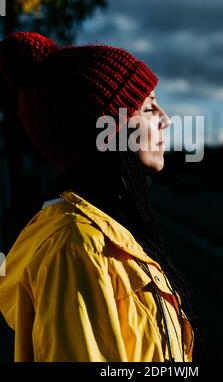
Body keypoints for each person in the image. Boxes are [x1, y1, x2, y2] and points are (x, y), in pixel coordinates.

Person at [0, 32, 202, 362]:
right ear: (107, 131)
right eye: (149, 107)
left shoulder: (106, 234)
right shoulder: (74, 247)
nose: (165, 119)